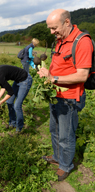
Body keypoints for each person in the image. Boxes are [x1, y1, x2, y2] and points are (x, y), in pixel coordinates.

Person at [37, 9, 93, 181]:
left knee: (65, 135)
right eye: (50, 28)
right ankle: (57, 156)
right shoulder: (61, 40)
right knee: (54, 130)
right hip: (56, 95)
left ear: (67, 22)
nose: (51, 32)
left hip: (69, 98)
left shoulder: (82, 42)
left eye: (54, 28)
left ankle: (66, 165)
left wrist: (53, 78)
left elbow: (82, 75)